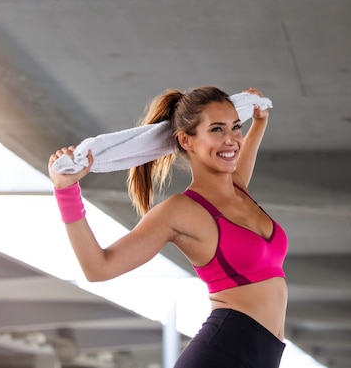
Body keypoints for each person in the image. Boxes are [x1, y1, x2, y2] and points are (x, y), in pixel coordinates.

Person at [48, 86, 288, 368]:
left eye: (236, 126)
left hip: (262, 356)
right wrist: (66, 190)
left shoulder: (238, 190)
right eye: (217, 130)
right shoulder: (180, 211)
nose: (232, 139)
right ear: (186, 140)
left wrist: (258, 121)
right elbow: (98, 268)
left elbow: (241, 151)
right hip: (223, 353)